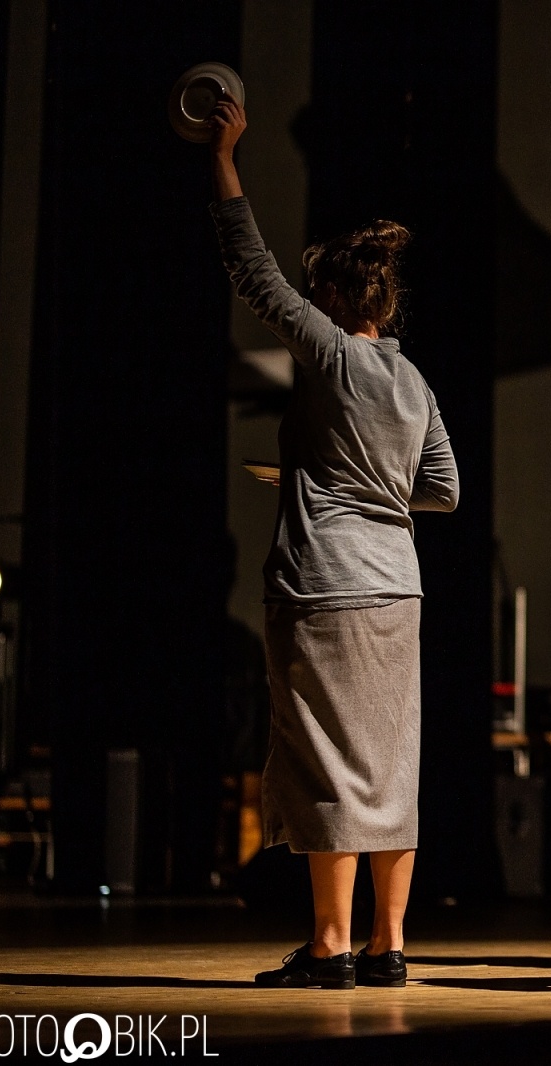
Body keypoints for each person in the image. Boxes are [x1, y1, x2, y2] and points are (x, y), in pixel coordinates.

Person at [206, 97, 458, 990]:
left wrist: (226, 157)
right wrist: (362, 482)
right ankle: (389, 947)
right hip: (397, 591)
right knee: (390, 767)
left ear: (336, 299)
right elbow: (444, 489)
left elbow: (250, 268)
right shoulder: (414, 377)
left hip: (326, 586)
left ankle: (329, 946)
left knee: (327, 763)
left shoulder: (332, 352)